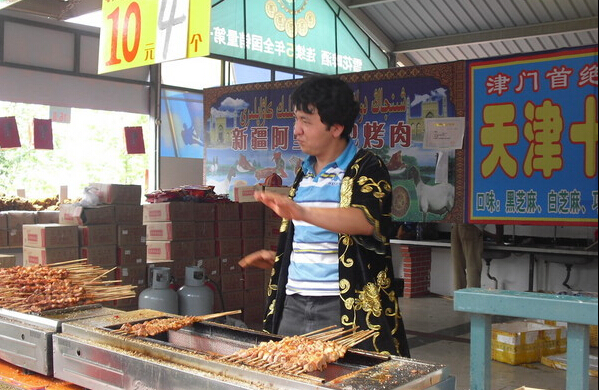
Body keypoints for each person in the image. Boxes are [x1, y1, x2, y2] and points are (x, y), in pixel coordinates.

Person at [239, 76, 410, 357]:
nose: (296, 131)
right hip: (293, 300)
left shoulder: (366, 166)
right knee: (288, 376)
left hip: (341, 304)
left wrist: (301, 211)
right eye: (296, 120)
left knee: (347, 380)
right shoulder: (304, 173)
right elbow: (313, 234)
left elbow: (366, 221)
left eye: (306, 121)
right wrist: (281, 259)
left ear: (336, 127)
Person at [451, 223, 504, 290]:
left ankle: (458, 298)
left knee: (458, 269)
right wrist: (499, 238)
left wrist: (493, 236)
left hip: (455, 226)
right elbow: (499, 222)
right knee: (473, 267)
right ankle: (472, 298)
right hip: (470, 226)